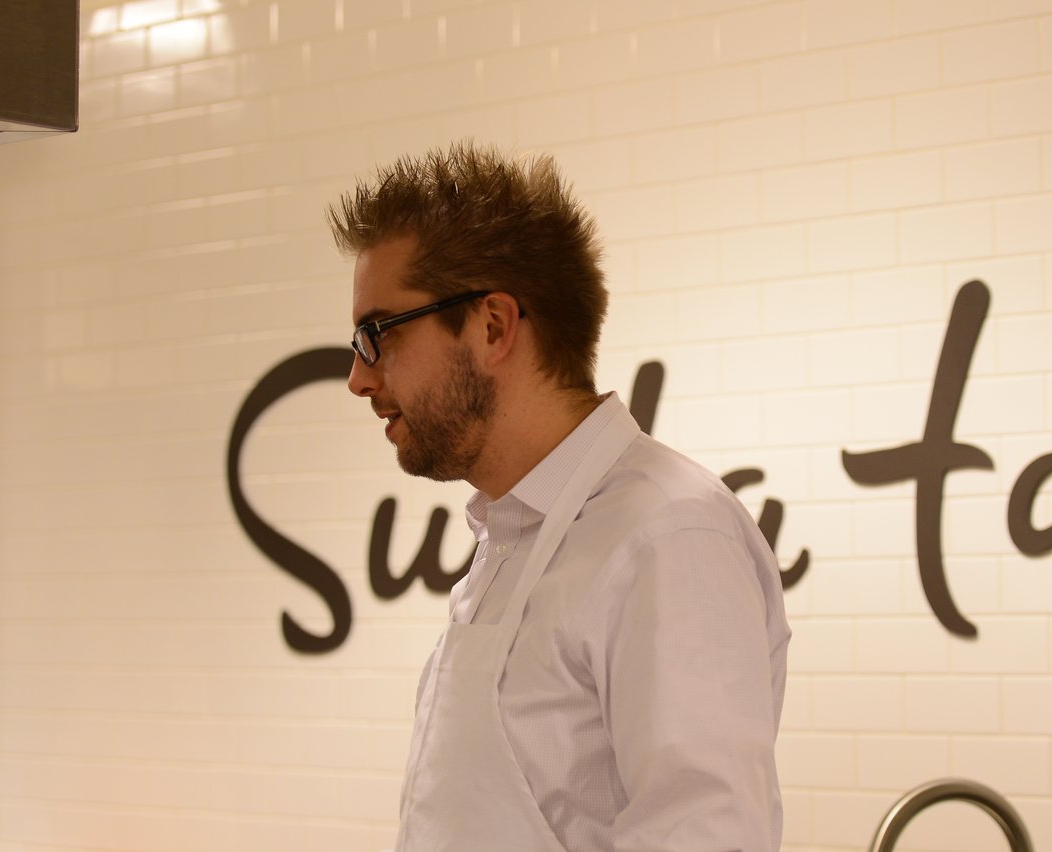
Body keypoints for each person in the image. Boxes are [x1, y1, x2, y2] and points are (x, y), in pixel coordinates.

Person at [329, 141, 790, 852]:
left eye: (376, 334)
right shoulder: (513, 539)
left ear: (492, 326)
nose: (360, 379)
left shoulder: (668, 535)